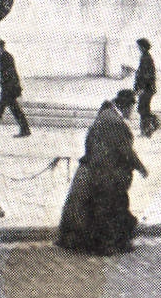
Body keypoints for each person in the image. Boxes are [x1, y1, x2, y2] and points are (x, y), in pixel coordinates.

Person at [57, 89, 148, 255]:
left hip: (96, 170)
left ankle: (113, 243)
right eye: (131, 108)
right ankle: (108, 245)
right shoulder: (116, 123)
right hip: (107, 174)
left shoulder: (104, 116)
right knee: (110, 209)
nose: (132, 112)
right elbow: (125, 150)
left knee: (105, 208)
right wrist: (141, 168)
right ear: (126, 106)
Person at [0, 38, 30, 137]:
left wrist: (6, 86)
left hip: (8, 88)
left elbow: (8, 74)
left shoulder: (4, 57)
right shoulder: (6, 56)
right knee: (15, 110)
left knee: (0, 110)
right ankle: (25, 129)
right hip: (9, 88)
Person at [133, 38, 158, 137]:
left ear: (142, 47)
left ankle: (149, 128)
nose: (138, 48)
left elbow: (146, 75)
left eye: (139, 46)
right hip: (147, 88)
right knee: (143, 109)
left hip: (146, 88)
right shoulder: (145, 57)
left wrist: (141, 87)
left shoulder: (146, 58)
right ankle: (148, 128)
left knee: (143, 109)